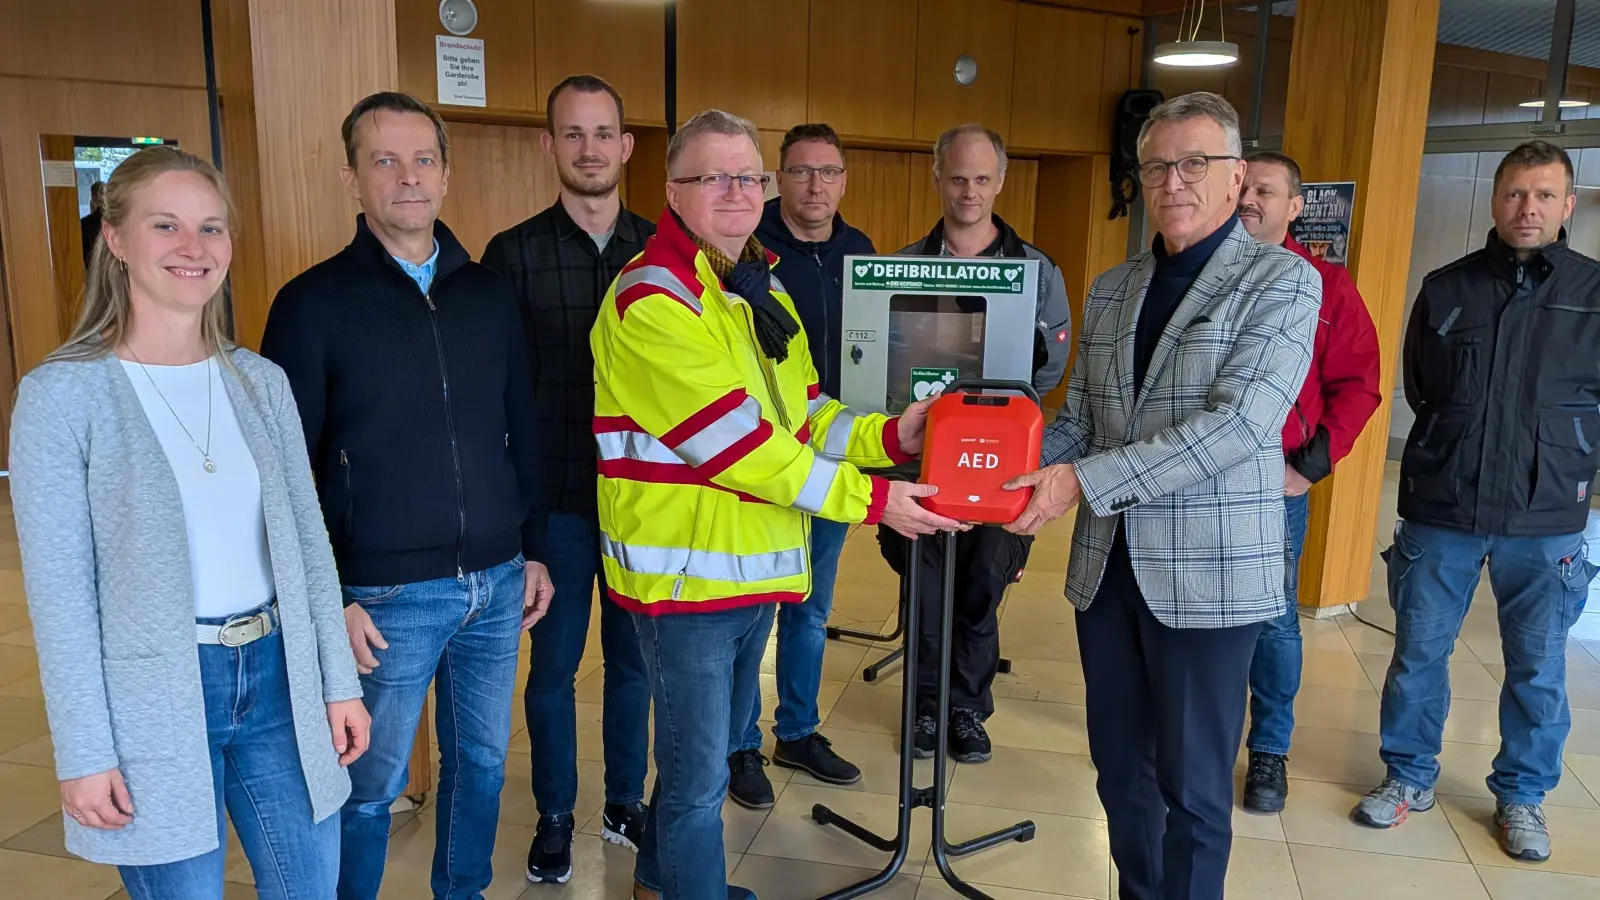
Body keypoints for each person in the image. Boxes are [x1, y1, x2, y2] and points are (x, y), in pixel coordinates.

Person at [591, 108, 964, 900]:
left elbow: (805, 413)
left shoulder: (756, 285)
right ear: (673, 191)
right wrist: (873, 500)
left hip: (750, 568)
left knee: (693, 761)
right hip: (686, 583)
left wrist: (892, 433)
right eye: (713, 177)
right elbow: (741, 447)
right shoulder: (653, 298)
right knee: (697, 779)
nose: (736, 191)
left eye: (747, 176)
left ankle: (659, 882)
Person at [10, 145, 369, 900]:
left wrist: (338, 683)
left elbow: (309, 545)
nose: (193, 247)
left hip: (279, 676)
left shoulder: (261, 382)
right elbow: (62, 599)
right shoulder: (62, 396)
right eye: (165, 225)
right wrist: (85, 752)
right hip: (155, 693)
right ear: (115, 238)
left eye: (211, 227)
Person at [1002, 92, 1320, 900]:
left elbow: (1239, 426)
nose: (1172, 181)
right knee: (1120, 774)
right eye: (1155, 167)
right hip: (1109, 574)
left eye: (1193, 164)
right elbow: (1081, 420)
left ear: (1236, 176)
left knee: (1194, 789)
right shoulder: (1115, 287)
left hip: (1211, 580)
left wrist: (1083, 481)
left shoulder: (1283, 282)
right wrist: (999, 475)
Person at [259, 91, 555, 900]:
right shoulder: (311, 304)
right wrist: (330, 600)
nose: (408, 177)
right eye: (384, 160)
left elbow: (521, 425)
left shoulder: (489, 294)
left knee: (482, 767)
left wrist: (530, 548)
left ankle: (461, 892)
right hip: (384, 595)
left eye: (423, 159)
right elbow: (282, 474)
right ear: (352, 179)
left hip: (497, 582)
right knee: (369, 785)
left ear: (446, 174)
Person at [1353, 140, 1600, 863]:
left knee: (1538, 668)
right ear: (1495, 200)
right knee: (1417, 655)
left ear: (1567, 205)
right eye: (1515, 193)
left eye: (1544, 195)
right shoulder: (1447, 287)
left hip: (1546, 517)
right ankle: (1408, 776)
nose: (1528, 208)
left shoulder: (1593, 292)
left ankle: (1522, 795)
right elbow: (1422, 385)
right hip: (1444, 508)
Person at [480, 74, 654, 885]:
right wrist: (516, 528)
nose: (590, 149)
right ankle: (555, 814)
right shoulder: (509, 257)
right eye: (573, 134)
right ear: (549, 145)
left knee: (635, 666)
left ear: (626, 146)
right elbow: (494, 398)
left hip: (643, 505)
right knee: (550, 673)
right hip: (552, 509)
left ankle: (624, 805)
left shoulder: (664, 253)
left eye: (604, 133)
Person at [880, 123, 1071, 764]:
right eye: (958, 178)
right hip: (922, 466)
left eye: (982, 179)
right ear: (938, 177)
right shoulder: (903, 268)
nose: (969, 191)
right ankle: (926, 706)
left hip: (999, 468)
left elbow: (1047, 370)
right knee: (927, 587)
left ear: (1000, 181)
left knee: (982, 587)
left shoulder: (1037, 272)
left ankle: (965, 706)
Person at [724, 122, 877, 809]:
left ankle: (797, 731)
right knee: (754, 611)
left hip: (833, 446)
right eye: (802, 171)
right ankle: (739, 746)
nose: (816, 185)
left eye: (829, 171)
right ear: (777, 179)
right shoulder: (745, 247)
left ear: (843, 180)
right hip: (758, 459)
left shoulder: (860, 253)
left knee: (811, 608)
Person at [1235, 151, 1382, 813]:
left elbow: (1359, 385)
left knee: (1273, 620)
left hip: (1276, 481)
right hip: (1194, 479)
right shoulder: (1203, 276)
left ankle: (1269, 751)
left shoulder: (1328, 287)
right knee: (1191, 615)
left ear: (1295, 206)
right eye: (1241, 186)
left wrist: (1307, 467)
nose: (1248, 199)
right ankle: (1197, 738)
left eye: (1264, 191)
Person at [82, 180, 105, 267]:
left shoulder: (84, 223)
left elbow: (84, 253)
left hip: (93, 267)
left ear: (93, 198)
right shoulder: (115, 219)